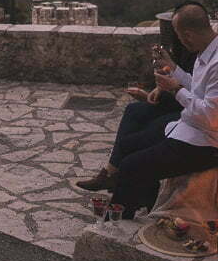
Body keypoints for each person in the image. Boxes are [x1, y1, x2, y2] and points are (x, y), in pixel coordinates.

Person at [84, 1, 218, 218]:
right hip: (193, 128)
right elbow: (197, 88)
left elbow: (210, 116)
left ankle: (116, 221)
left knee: (131, 166)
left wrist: (175, 89)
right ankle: (147, 205)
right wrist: (173, 68)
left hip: (210, 143)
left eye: (179, 36)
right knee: (129, 145)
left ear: (187, 36)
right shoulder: (211, 50)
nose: (180, 41)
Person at [75, 39, 195, 193]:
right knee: (134, 110)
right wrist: (159, 89)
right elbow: (184, 79)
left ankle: (120, 177)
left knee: (142, 132)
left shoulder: (208, 56)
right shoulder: (185, 48)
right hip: (181, 100)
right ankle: (110, 172)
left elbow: (197, 97)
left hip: (189, 110)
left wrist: (169, 90)